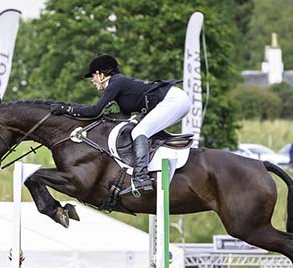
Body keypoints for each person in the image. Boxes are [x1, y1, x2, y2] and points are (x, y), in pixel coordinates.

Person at [50, 54, 191, 195]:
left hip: (174, 100)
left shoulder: (116, 82)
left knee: (139, 131)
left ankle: (141, 177)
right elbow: (123, 117)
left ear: (100, 74)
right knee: (139, 129)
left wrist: (65, 109)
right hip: (175, 100)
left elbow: (94, 111)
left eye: (92, 76)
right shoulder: (119, 86)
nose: (92, 81)